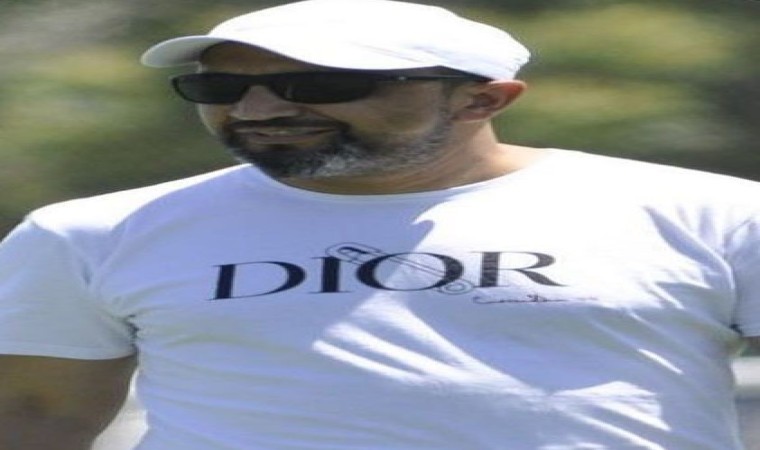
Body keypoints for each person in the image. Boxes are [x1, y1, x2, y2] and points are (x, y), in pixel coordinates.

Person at [0, 0, 758, 448]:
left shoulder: (714, 214)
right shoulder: (91, 233)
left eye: (320, 85)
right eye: (219, 86)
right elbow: (36, 419)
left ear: (485, 99)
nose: (257, 109)